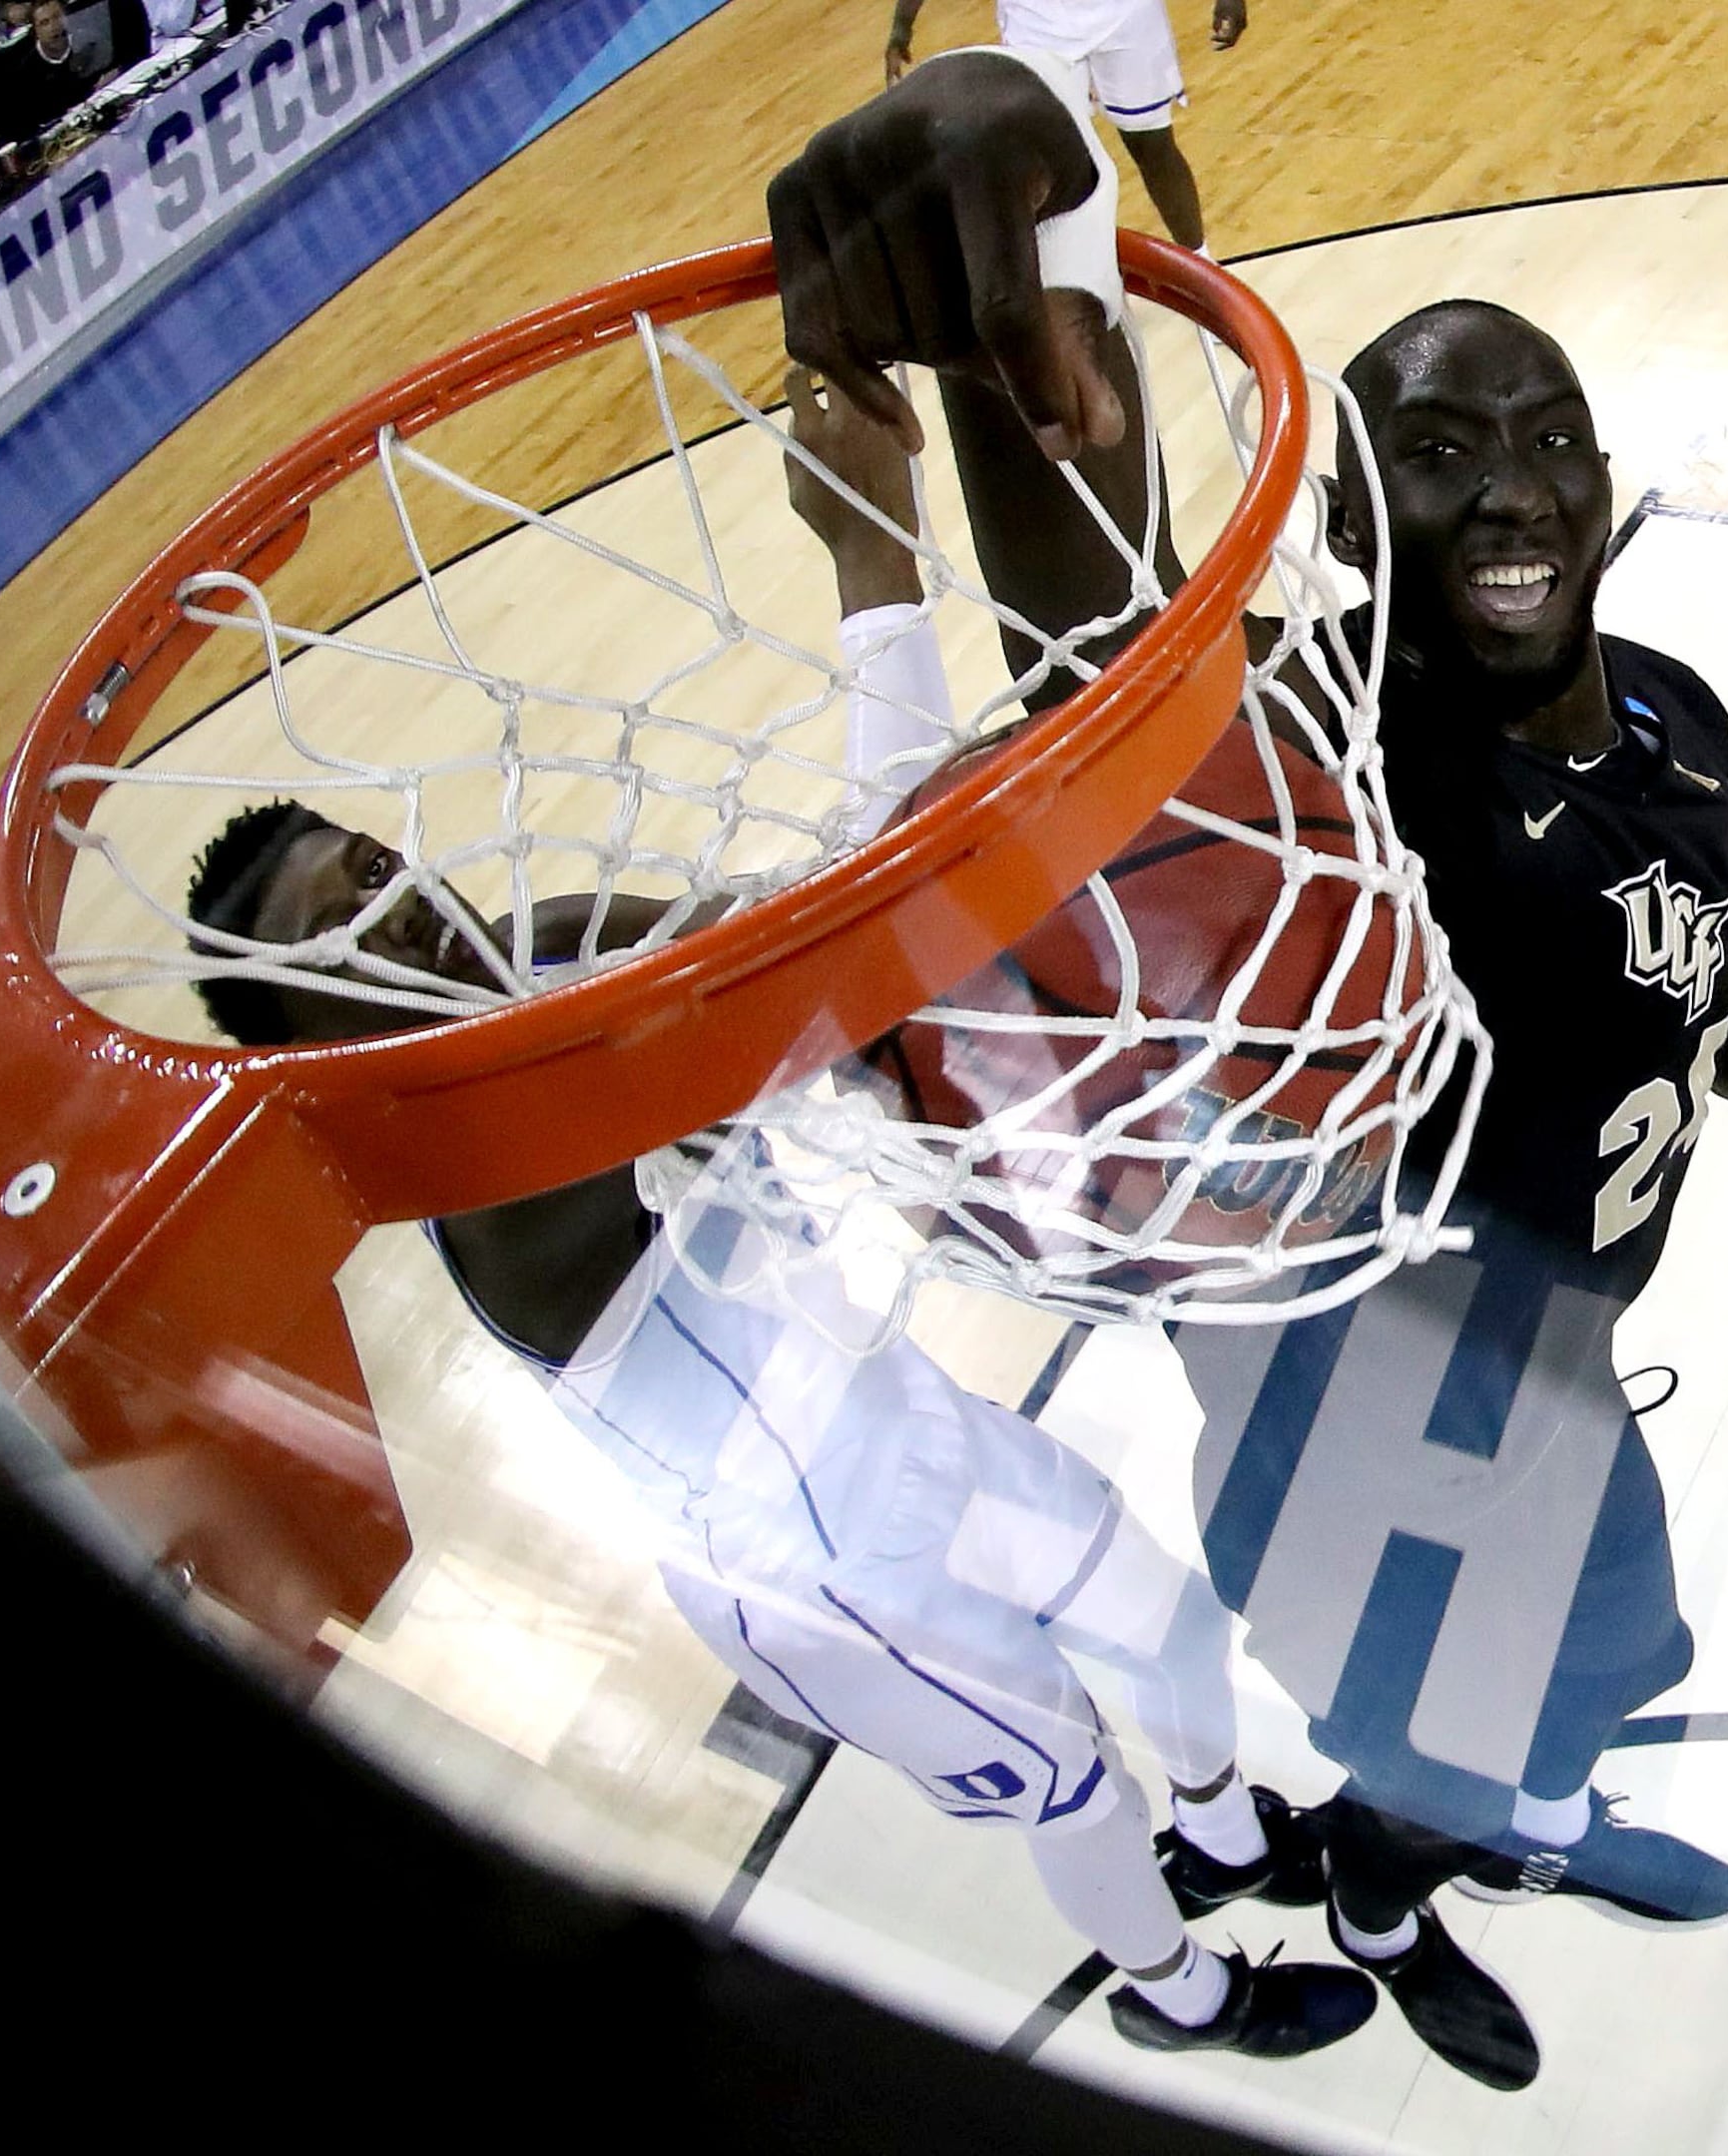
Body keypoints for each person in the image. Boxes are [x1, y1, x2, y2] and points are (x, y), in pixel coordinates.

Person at [769, 50, 1728, 2092]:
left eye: (1548, 437)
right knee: (1436, 1741)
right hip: (1354, 1420)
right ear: (1344, 520)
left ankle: (1523, 1831)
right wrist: (1013, 344)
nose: (1511, 486)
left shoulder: (1674, 721)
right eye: (1434, 450)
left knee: (1603, 1678)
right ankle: (1384, 1899)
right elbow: (1105, 690)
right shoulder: (1324, 774)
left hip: (1560, 1373)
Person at [167, 377, 1378, 2066]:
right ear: (311, 1035)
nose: (397, 905)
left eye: (369, 864)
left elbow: (802, 925)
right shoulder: (486, 1170)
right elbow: (803, 1007)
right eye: (335, 930)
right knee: (1067, 1774)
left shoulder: (550, 941)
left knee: (1171, 1626)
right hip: (812, 1567)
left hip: (900, 1422)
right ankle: (1184, 1998)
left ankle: (1234, 1837)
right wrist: (875, 585)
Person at [884, 0, 1239, 253]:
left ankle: (1205, 269)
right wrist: (902, 25)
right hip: (1036, 18)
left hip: (1127, 13)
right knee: (1053, 158)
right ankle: (1084, 290)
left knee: (1152, 144)